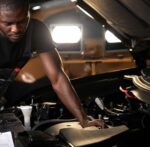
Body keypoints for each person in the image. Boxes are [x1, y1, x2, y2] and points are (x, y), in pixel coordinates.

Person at [0, 0, 104, 128]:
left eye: (21, 21)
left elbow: (58, 78)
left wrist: (84, 120)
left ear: (28, 14)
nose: (15, 29)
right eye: (8, 24)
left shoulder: (37, 30)